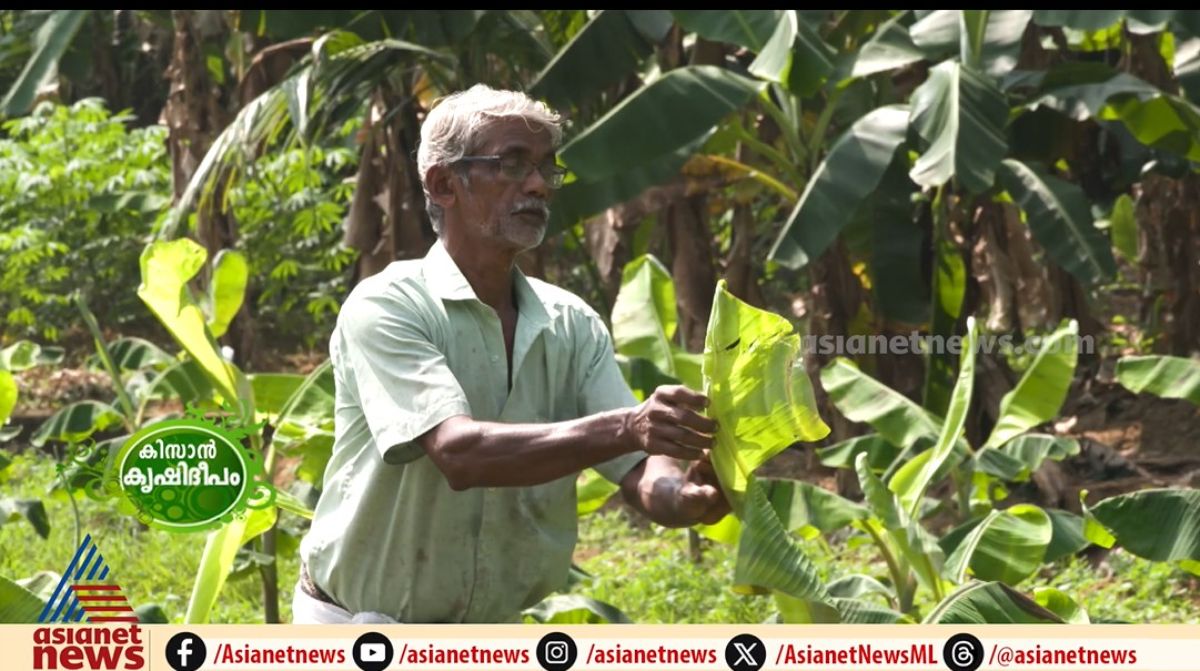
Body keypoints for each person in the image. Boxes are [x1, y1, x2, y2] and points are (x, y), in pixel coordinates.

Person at [293, 84, 729, 624]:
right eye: (513, 164)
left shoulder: (571, 324)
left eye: (547, 168)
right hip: (361, 625)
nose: (539, 186)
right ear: (443, 183)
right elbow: (461, 453)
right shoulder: (389, 305)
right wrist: (631, 425)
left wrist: (679, 494)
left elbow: (638, 469)